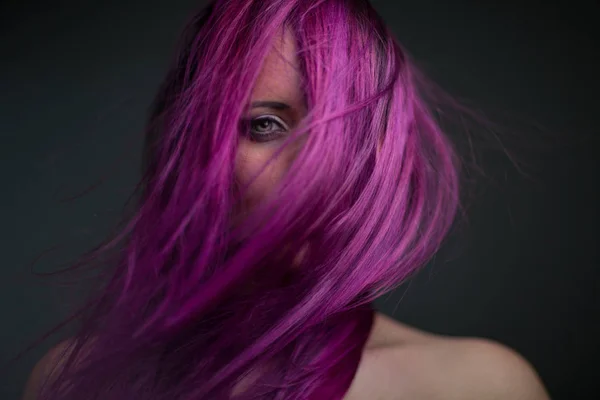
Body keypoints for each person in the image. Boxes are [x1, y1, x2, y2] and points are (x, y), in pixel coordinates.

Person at [22, 0, 550, 399]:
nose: (314, 173)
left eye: (348, 134)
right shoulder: (74, 380)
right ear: (188, 142)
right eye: (266, 125)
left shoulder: (477, 385)